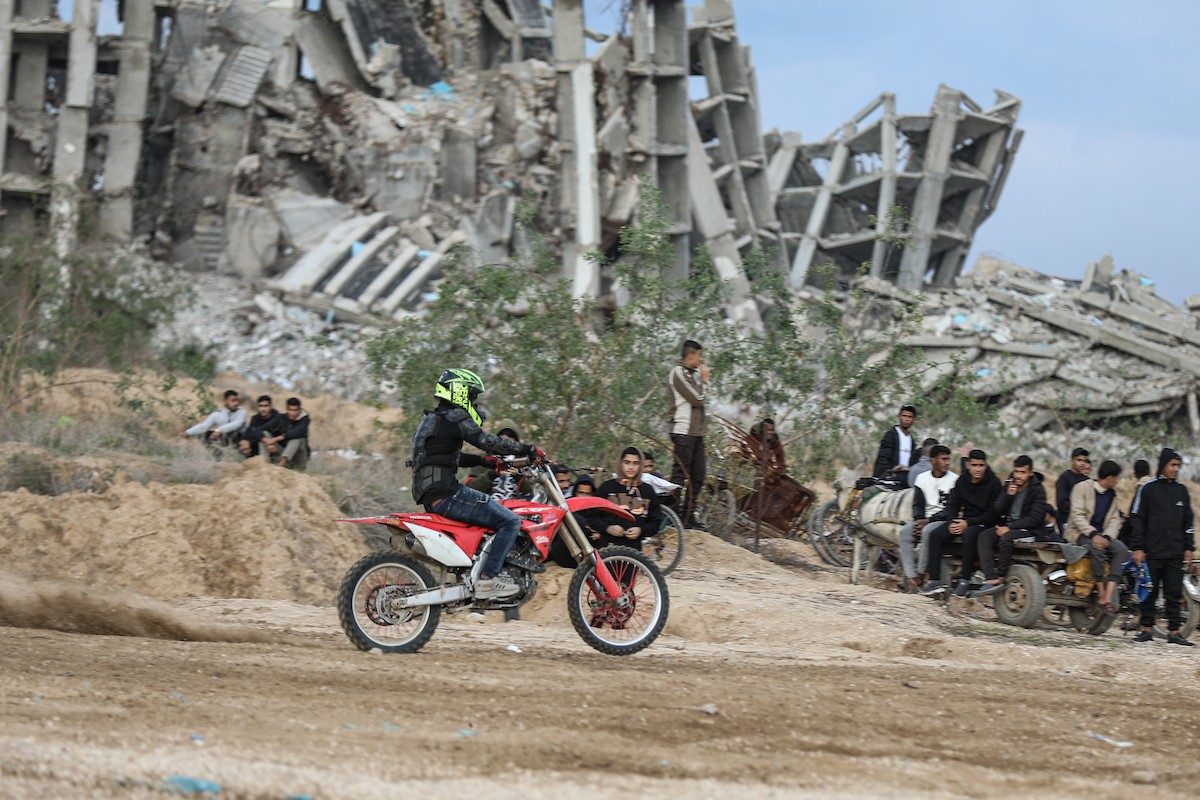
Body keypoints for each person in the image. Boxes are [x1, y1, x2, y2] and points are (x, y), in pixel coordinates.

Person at [410, 369, 542, 599]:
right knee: (511, 521)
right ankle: (488, 579)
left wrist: (487, 463)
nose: (474, 402)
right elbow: (487, 440)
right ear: (459, 392)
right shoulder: (454, 417)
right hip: (447, 493)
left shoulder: (433, 419)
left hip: (432, 494)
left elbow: (448, 457)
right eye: (472, 397)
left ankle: (476, 569)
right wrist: (527, 450)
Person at [1128, 448, 1195, 645]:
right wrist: (1138, 548)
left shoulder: (1182, 491)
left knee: (1173, 593)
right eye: (1172, 465)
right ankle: (1147, 629)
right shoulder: (1148, 489)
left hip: (1175, 552)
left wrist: (1189, 547)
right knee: (1150, 592)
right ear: (1162, 466)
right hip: (1152, 551)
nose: (1176, 469)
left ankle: (1174, 632)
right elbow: (1137, 519)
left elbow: (1188, 522)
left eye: (1178, 466)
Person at [922, 449, 1001, 596]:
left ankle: (964, 581)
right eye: (975, 465)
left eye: (981, 465)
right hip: (964, 520)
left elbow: (993, 513)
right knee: (935, 535)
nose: (978, 469)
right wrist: (952, 522)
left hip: (983, 523)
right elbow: (953, 504)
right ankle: (933, 580)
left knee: (969, 535)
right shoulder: (962, 481)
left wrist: (968, 523)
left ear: (986, 465)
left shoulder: (994, 483)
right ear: (968, 465)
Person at [975, 455, 1051, 597]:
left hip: (1030, 531)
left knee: (1007, 538)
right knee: (984, 536)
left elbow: (1035, 518)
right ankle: (991, 578)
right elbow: (997, 509)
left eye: (1023, 472)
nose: (1019, 476)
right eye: (1017, 471)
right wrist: (1008, 496)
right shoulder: (1010, 483)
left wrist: (1010, 527)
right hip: (1008, 526)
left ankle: (1001, 576)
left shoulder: (1037, 490)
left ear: (1030, 473)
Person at [1066, 460, 1127, 613]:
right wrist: (1093, 534)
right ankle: (1100, 592)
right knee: (1097, 549)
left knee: (1122, 550)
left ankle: (1108, 594)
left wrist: (1106, 537)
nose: (1117, 481)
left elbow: (1115, 520)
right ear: (1110, 477)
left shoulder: (1112, 496)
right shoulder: (1082, 488)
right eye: (1116, 478)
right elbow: (1077, 515)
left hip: (1102, 536)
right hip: (1080, 533)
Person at [897, 444, 957, 593]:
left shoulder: (955, 480)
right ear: (933, 460)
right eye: (944, 459)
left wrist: (928, 521)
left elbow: (951, 509)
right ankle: (912, 576)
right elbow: (918, 505)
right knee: (904, 532)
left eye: (949, 459)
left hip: (943, 520)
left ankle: (921, 572)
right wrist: (918, 521)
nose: (947, 463)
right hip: (925, 519)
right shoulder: (922, 479)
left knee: (927, 532)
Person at [668, 339, 710, 527]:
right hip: (683, 432)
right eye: (699, 355)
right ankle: (672, 514)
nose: (701, 360)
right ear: (690, 355)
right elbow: (697, 399)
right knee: (680, 475)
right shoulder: (679, 373)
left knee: (698, 475)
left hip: (697, 434)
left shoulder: (691, 375)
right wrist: (705, 381)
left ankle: (688, 516)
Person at [588, 448, 662, 550]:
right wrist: (607, 528)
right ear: (620, 463)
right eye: (627, 462)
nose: (631, 467)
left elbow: (655, 521)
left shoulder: (647, 491)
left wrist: (641, 530)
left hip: (633, 552)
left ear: (641, 465)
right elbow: (591, 517)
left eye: (636, 463)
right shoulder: (606, 487)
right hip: (606, 549)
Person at [469, 419, 533, 501]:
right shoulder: (485, 459)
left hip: (519, 506)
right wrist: (492, 475)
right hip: (489, 505)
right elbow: (470, 488)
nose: (506, 439)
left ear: (516, 441)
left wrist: (518, 476)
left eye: (510, 436)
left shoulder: (524, 460)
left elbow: (535, 491)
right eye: (502, 436)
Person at [181, 389, 247, 446]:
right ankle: (217, 455)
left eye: (237, 401)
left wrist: (218, 430)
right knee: (204, 434)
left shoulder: (241, 411)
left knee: (235, 433)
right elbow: (204, 426)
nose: (236, 403)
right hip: (224, 437)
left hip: (239, 437)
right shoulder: (217, 413)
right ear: (225, 401)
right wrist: (188, 432)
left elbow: (237, 424)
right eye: (233, 401)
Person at [260, 397, 311, 468]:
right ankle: (264, 463)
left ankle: (281, 465)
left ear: (299, 410)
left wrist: (274, 439)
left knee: (298, 438)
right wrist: (267, 442)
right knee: (264, 434)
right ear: (286, 409)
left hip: (298, 458)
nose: (293, 413)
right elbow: (260, 429)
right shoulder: (281, 418)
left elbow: (297, 432)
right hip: (283, 452)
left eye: (295, 410)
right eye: (290, 410)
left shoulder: (304, 420)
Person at [872, 404, 919, 479]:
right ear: (899, 417)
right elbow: (883, 458)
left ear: (914, 419)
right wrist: (889, 472)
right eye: (904, 416)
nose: (906, 419)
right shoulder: (891, 435)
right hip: (889, 477)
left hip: (904, 478)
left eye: (910, 417)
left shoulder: (911, 440)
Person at [1054, 447, 1092, 531]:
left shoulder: (1087, 481)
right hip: (1066, 519)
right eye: (1079, 460)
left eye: (1084, 461)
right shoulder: (1064, 478)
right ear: (1072, 461)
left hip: (1084, 520)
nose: (1082, 463)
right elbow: (1061, 503)